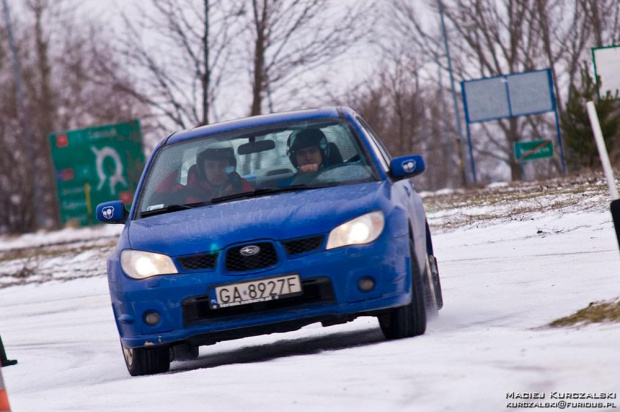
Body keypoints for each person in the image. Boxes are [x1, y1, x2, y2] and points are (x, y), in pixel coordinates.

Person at [184, 146, 253, 203]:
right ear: (202, 170)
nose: (217, 172)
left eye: (222, 165)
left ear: (230, 167)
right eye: (210, 166)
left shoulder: (241, 187)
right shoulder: (189, 195)